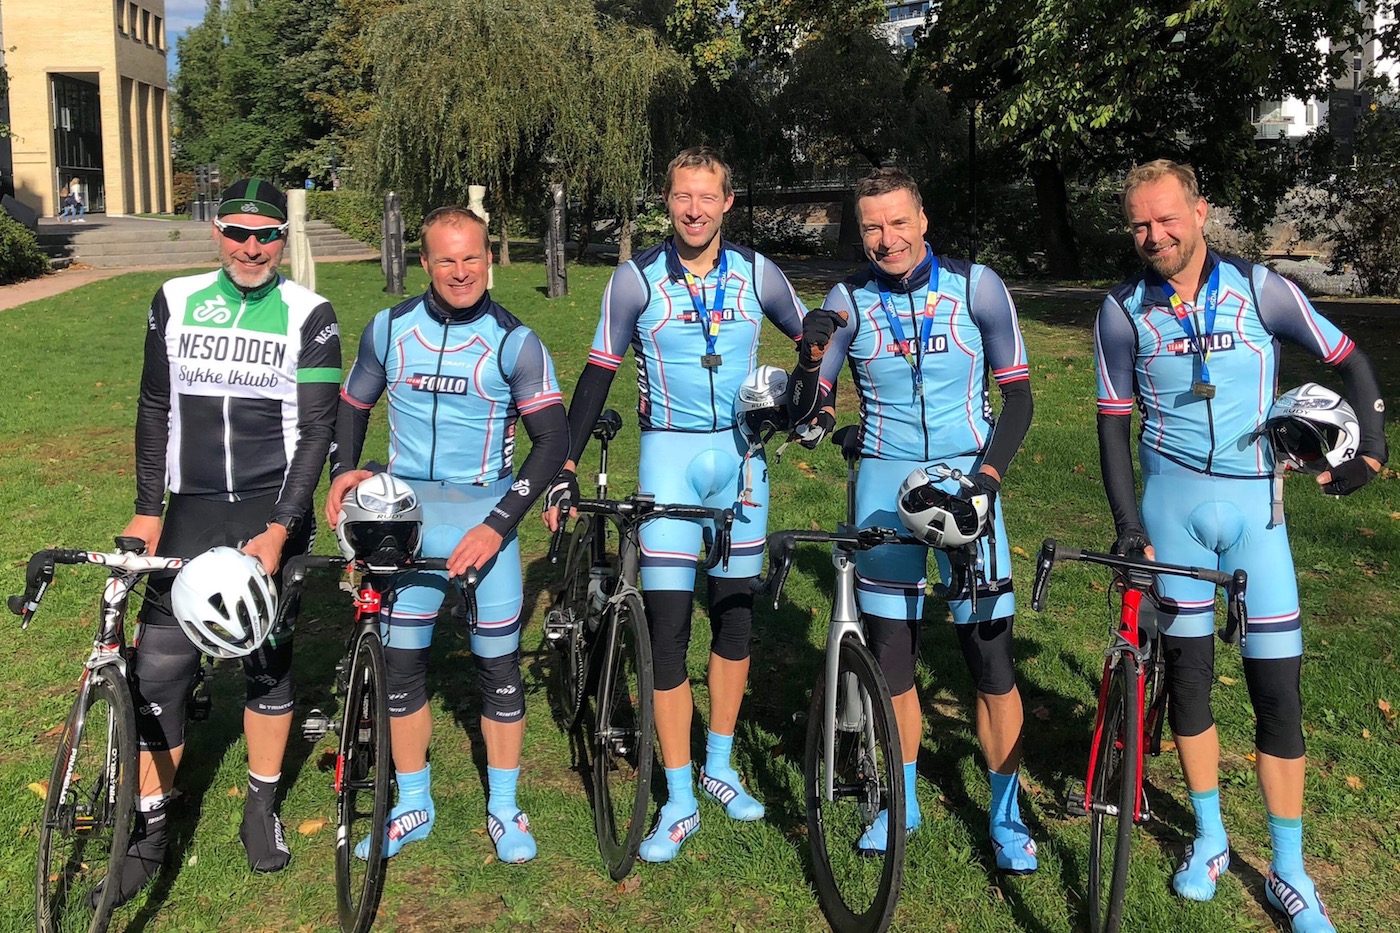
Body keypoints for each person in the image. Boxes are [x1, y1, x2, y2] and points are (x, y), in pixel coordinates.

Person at [1095, 159, 1388, 933]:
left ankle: (1291, 871)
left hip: (1257, 520)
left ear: (1200, 211)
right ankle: (1211, 836)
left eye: (1167, 218)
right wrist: (1128, 527)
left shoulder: (1262, 290)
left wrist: (1372, 450)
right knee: (1190, 683)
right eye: (1139, 224)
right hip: (1172, 518)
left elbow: (1349, 357)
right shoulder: (1122, 312)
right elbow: (1112, 425)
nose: (1154, 235)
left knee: (1277, 695)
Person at [542, 146, 810, 862]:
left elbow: (814, 340)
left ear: (727, 203)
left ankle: (719, 763)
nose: (695, 209)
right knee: (667, 632)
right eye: (682, 196)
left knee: (734, 619)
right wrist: (565, 462)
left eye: (707, 196)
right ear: (667, 201)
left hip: (742, 461)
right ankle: (681, 795)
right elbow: (597, 373)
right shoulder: (635, 280)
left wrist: (813, 395)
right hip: (669, 460)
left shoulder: (759, 273)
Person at [787, 167, 1038, 871]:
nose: (887, 238)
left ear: (923, 220)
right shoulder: (847, 300)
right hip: (882, 486)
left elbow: (1019, 399)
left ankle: (1006, 815)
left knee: (990, 659)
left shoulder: (977, 287)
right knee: (893, 660)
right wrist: (809, 358)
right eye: (872, 226)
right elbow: (810, 413)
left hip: (967, 484)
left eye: (898, 222)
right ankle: (900, 801)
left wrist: (986, 481)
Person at [113, 178, 341, 905]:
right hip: (191, 507)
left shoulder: (310, 313)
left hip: (269, 508)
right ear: (217, 233)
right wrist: (148, 510)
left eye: (265, 235)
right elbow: (155, 406)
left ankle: (260, 806)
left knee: (267, 663)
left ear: (282, 239)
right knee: (160, 669)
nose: (251, 247)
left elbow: (317, 432)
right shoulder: (175, 299)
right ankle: (150, 828)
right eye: (238, 232)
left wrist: (281, 527)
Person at [325, 206, 568, 864]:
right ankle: (414, 801)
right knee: (401, 669)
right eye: (446, 260)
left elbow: (552, 441)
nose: (461, 272)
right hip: (409, 521)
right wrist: (344, 471)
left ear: (488, 259)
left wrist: (497, 525)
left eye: (472, 258)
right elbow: (353, 404)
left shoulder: (516, 342)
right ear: (425, 263)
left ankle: (504, 806)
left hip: (486, 518)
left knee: (500, 671)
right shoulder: (389, 329)